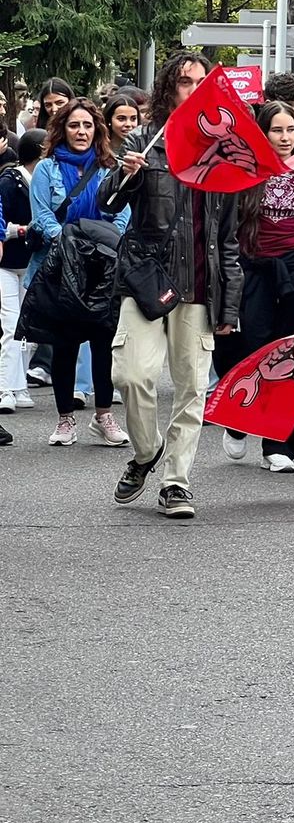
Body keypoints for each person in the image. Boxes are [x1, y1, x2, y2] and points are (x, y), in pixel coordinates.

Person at [104, 55, 242, 521]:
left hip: (201, 287)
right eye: (185, 82)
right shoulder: (147, 140)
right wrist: (127, 173)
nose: (194, 89)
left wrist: (231, 305)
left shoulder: (224, 152)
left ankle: (176, 481)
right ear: (169, 87)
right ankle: (146, 452)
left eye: (202, 83)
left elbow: (228, 238)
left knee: (192, 389)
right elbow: (106, 203)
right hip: (147, 281)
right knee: (131, 375)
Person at [212, 102, 294, 472]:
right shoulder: (243, 173)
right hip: (249, 272)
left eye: (291, 131)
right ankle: (237, 423)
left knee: (288, 360)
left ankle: (279, 446)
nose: (285, 138)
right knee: (241, 352)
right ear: (261, 133)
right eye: (276, 131)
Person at [28, 98, 131, 447]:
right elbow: (42, 217)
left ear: (98, 129)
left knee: (103, 345)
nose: (81, 132)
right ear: (62, 129)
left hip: (102, 269)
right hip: (60, 267)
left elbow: (122, 215)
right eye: (74, 125)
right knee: (65, 346)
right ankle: (65, 419)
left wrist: (100, 247)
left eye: (88, 125)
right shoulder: (46, 169)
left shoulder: (109, 167)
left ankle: (104, 416)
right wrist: (73, 245)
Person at [0, 129, 46, 418]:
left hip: (30, 262)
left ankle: (19, 385)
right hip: (6, 263)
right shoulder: (9, 181)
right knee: (10, 324)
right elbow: (1, 221)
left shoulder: (44, 180)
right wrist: (21, 230)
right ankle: (5, 387)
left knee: (28, 327)